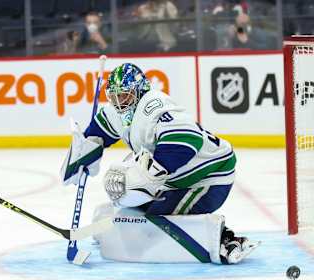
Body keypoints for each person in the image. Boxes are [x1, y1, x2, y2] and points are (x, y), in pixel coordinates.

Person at [60, 63, 260, 265]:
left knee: (154, 222)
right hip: (175, 181)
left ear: (139, 92)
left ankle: (225, 241)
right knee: (133, 211)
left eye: (125, 96)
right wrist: (82, 153)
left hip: (208, 178)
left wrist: (148, 176)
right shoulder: (115, 113)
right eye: (114, 97)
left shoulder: (155, 105)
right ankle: (107, 225)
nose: (119, 103)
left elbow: (187, 141)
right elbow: (95, 135)